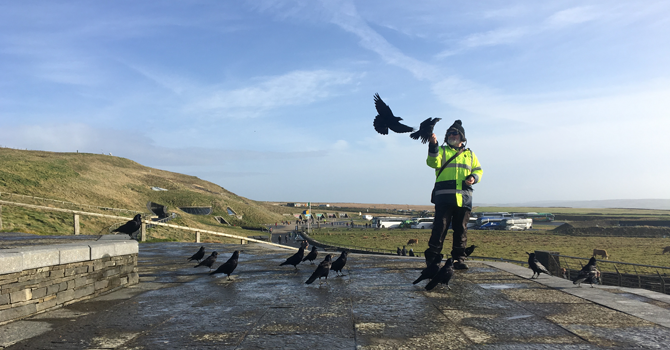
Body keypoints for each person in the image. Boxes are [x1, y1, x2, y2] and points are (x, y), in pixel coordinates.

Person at [424, 120, 483, 270]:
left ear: (462, 136)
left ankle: (459, 259)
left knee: (461, 230)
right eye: (449, 133)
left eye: (454, 133)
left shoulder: (470, 154)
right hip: (444, 198)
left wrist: (474, 178)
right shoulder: (442, 150)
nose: (451, 135)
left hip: (464, 198)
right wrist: (433, 145)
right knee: (440, 228)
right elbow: (432, 163)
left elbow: (479, 170)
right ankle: (432, 259)